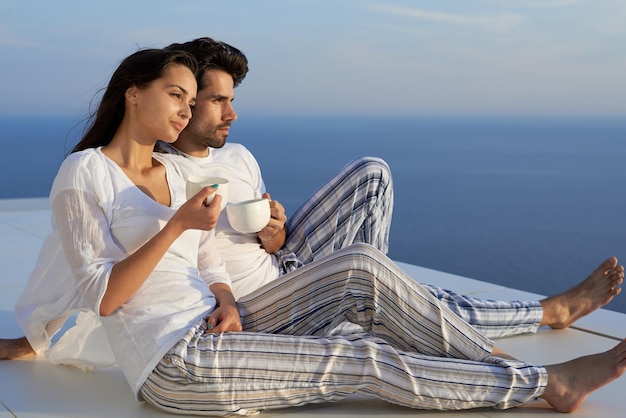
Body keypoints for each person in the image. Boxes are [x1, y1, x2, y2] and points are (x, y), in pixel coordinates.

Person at [6, 45, 626, 415]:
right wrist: (37, 340)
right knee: (362, 358)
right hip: (173, 362)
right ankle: (544, 382)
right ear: (131, 93)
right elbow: (103, 295)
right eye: (177, 96)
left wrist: (222, 294)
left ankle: (509, 365)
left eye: (191, 100)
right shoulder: (84, 172)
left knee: (364, 279)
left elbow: (203, 259)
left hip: (213, 324)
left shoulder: (171, 171)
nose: (185, 111)